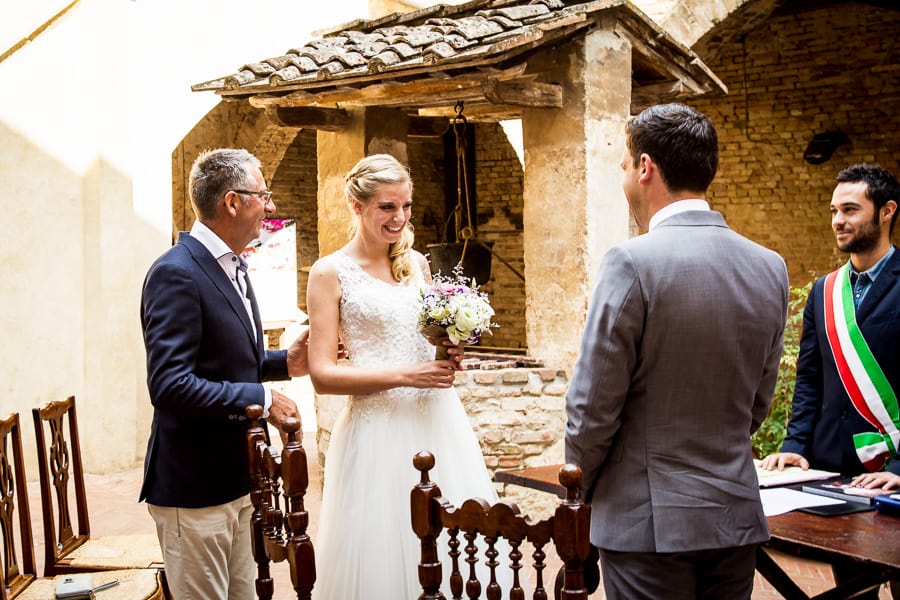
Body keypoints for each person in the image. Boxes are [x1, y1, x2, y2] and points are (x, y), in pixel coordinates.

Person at [565, 103, 789, 600]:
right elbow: (758, 404)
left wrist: (580, 487)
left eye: (624, 165)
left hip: (646, 524)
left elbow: (591, 408)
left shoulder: (630, 261)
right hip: (733, 516)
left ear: (646, 167)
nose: (624, 178)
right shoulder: (770, 266)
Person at [306, 153, 512, 599]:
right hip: (376, 431)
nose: (398, 218)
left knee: (455, 543)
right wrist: (406, 375)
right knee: (384, 547)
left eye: (405, 207)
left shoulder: (416, 264)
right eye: (386, 207)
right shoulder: (329, 273)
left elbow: (421, 338)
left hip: (438, 421)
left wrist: (449, 347)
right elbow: (322, 375)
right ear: (356, 206)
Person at [140, 148, 309, 599]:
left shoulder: (232, 264)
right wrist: (264, 399)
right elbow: (170, 384)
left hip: (238, 479)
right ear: (232, 202)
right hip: (193, 489)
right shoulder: (176, 273)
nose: (270, 207)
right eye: (263, 196)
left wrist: (283, 363)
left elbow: (224, 361)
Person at [760, 164, 900, 599]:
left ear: (886, 212)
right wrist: (795, 446)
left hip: (891, 473)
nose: (838, 220)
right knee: (851, 593)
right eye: (834, 210)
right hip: (833, 471)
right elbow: (810, 380)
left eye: (851, 210)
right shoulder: (824, 291)